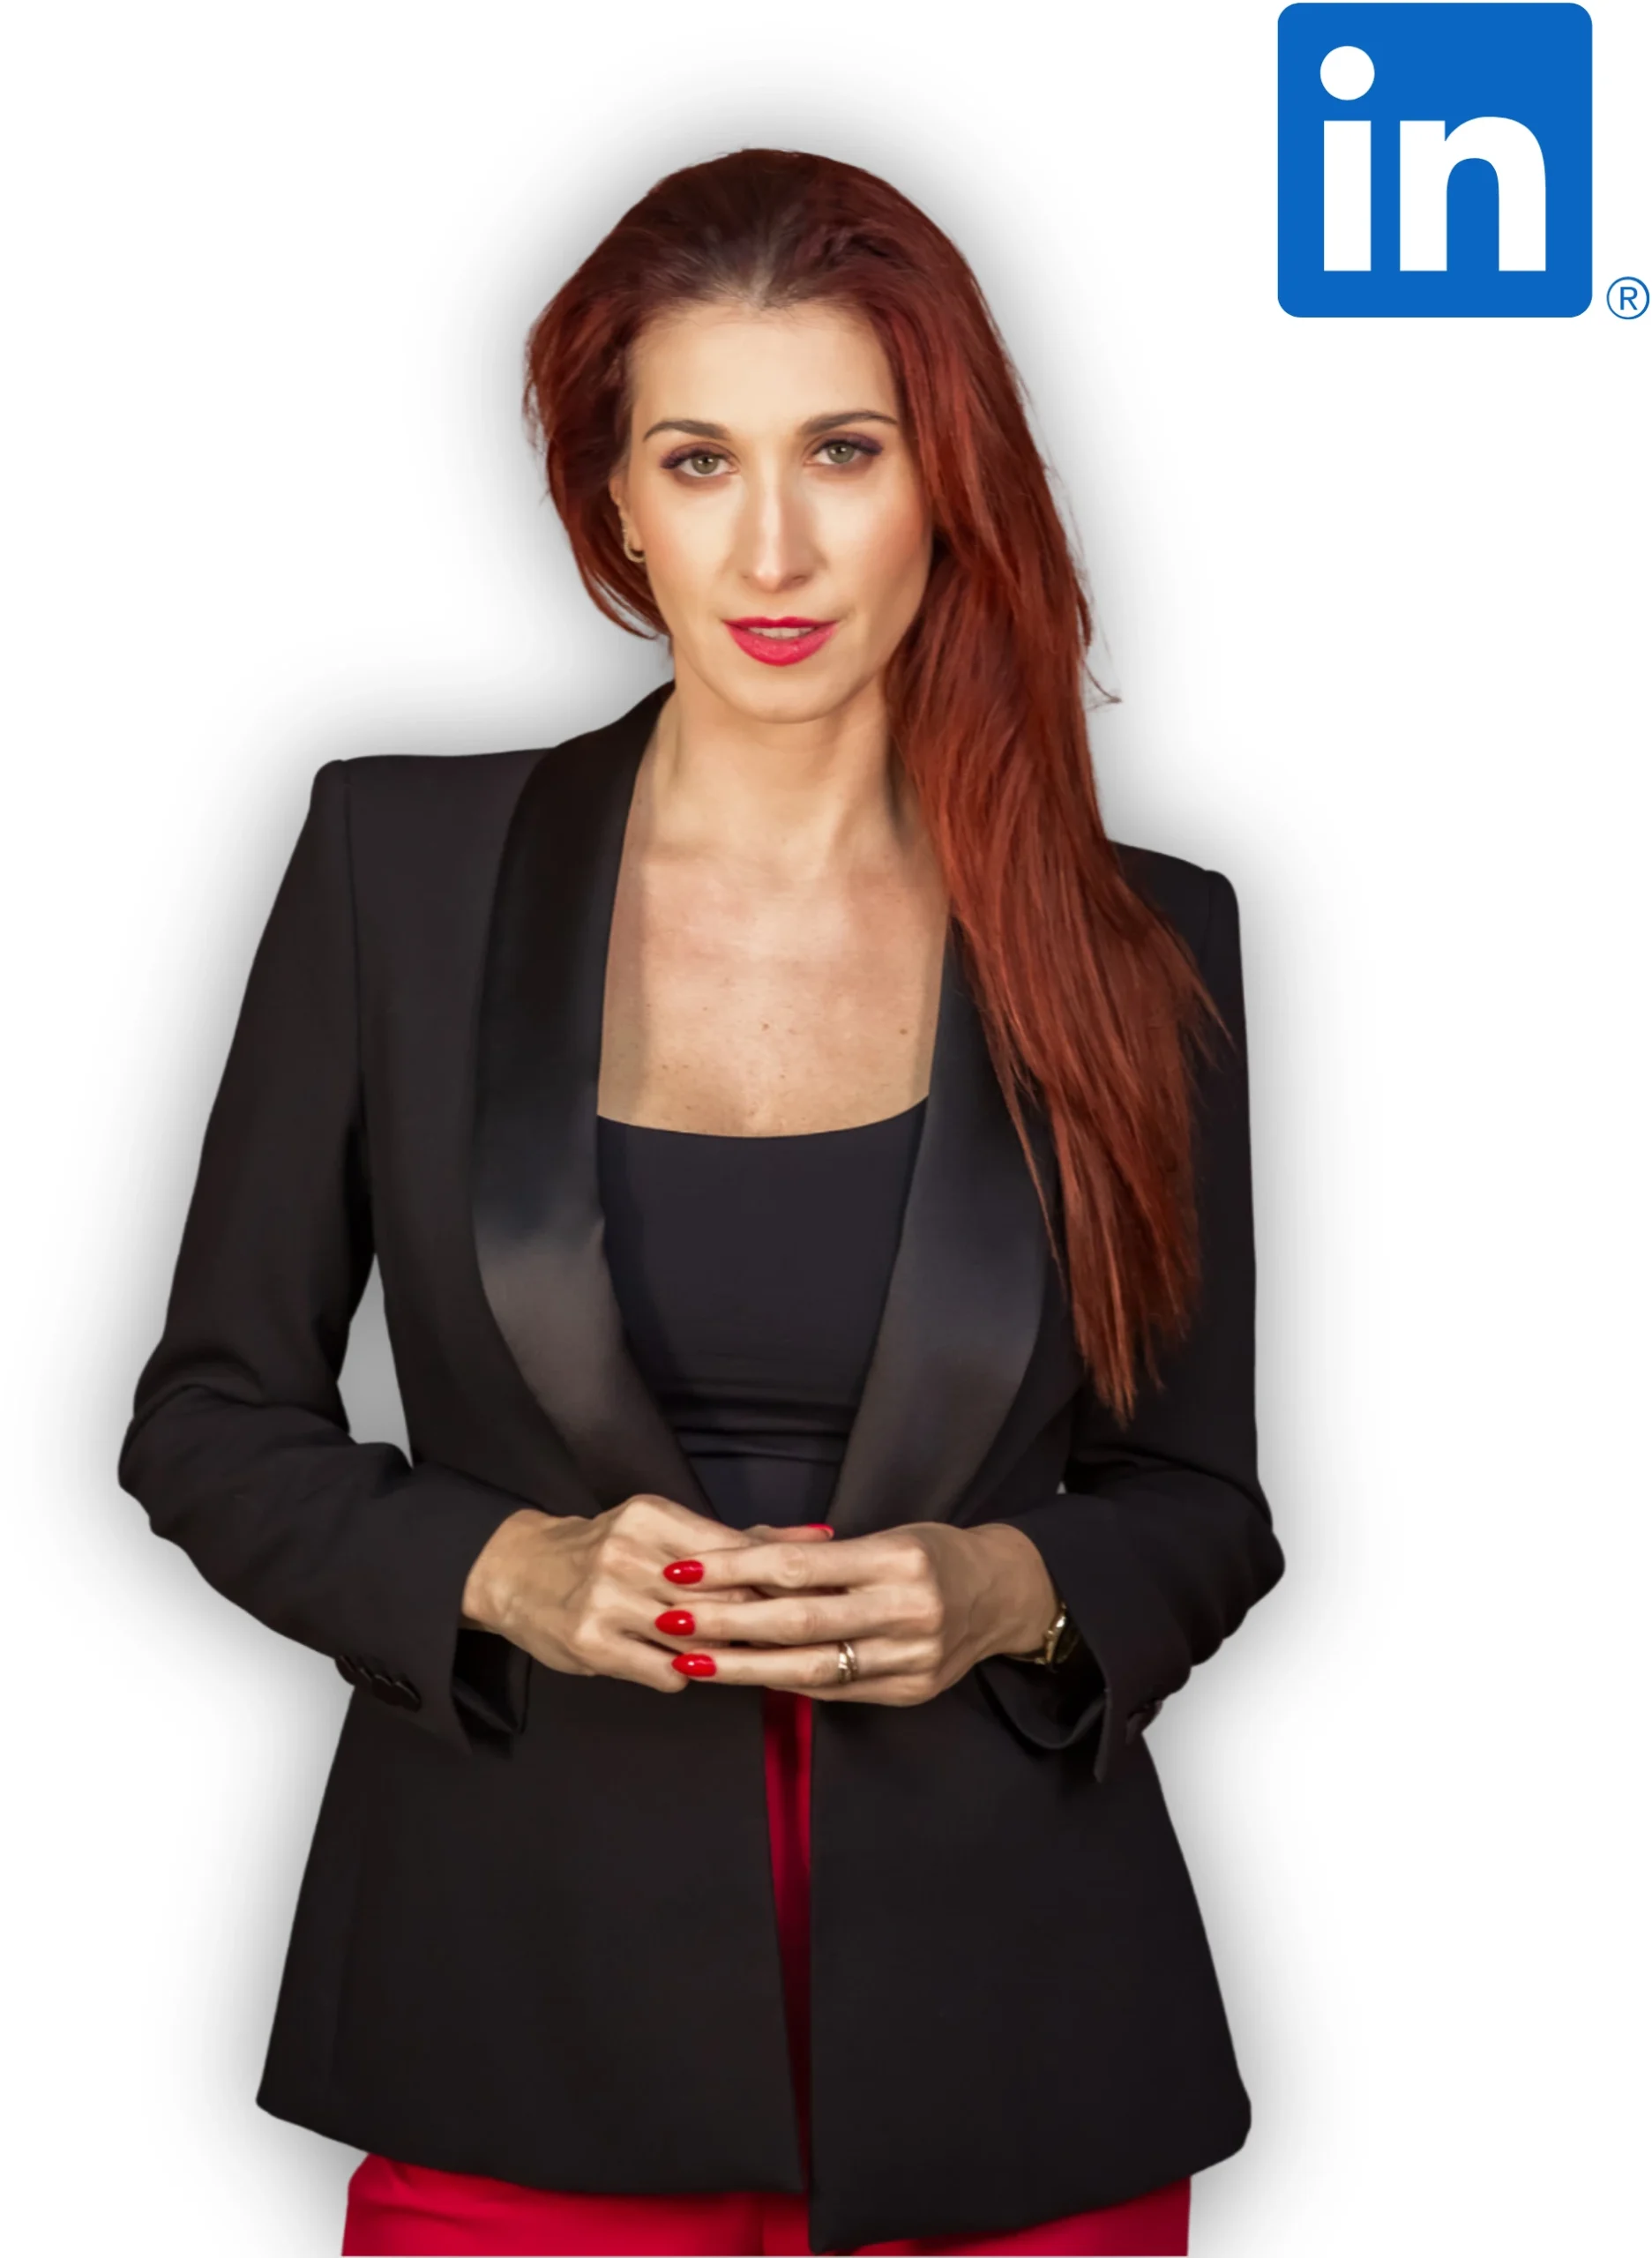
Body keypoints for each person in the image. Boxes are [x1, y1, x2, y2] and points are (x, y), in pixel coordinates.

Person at [118, 147, 1285, 2258]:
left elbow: (1198, 1498)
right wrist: (504, 1569)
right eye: (698, 458)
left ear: (948, 483)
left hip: (1019, 2055)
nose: (772, 545)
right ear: (617, 501)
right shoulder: (399, 870)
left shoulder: (1142, 942)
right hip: (512, 2024)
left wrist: (1006, 1585)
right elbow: (208, 1415)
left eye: (845, 450)